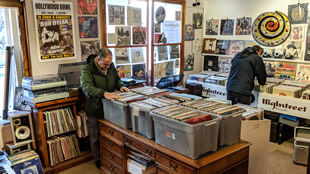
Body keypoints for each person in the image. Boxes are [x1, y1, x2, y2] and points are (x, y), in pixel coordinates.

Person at [80, 48, 129, 169]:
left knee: (111, 133)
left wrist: (121, 86)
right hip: (95, 107)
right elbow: (86, 87)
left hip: (111, 107)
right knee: (95, 135)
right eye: (105, 64)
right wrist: (103, 93)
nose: (108, 67)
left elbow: (117, 80)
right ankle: (97, 158)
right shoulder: (87, 69)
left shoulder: (110, 66)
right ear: (98, 59)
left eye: (109, 64)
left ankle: (111, 156)